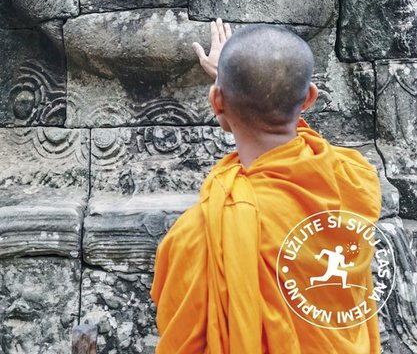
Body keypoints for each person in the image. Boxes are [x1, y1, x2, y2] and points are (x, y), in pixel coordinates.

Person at [150, 20, 382, 354]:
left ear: (215, 101)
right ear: (310, 98)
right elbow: (291, 122)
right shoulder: (351, 179)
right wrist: (232, 83)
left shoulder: (195, 235)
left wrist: (227, 84)